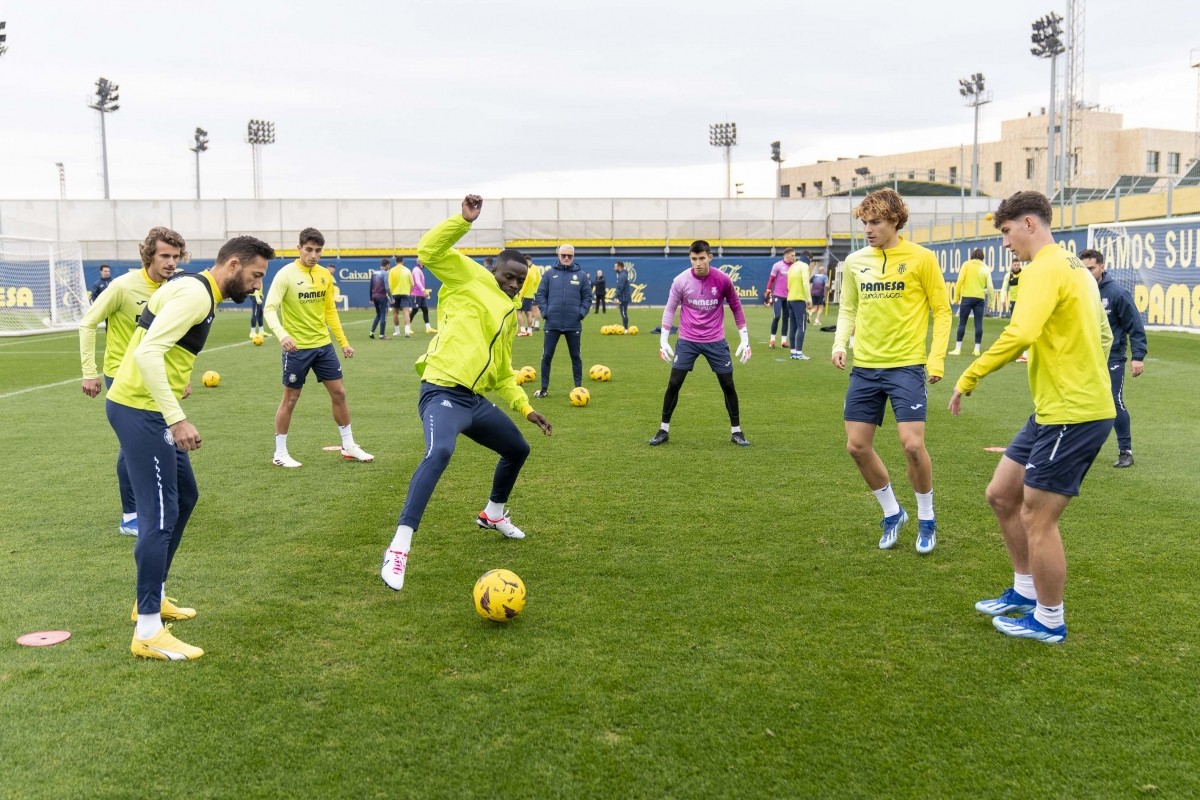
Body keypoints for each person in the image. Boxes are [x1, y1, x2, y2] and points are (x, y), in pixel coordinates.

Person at [950, 191, 1115, 644]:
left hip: (1072, 414)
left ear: (1028, 223)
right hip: (1055, 409)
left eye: (1005, 233)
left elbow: (1021, 332)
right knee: (1002, 494)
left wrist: (970, 375)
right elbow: (1102, 334)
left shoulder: (1044, 267)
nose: (1005, 244)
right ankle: (1025, 592)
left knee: (1037, 518)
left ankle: (1049, 619)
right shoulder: (1076, 267)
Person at [108, 236, 272, 660]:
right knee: (159, 515)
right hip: (141, 410)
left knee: (184, 497)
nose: (257, 286)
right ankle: (147, 631)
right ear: (233, 264)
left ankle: (155, 595)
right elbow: (147, 354)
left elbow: (150, 343)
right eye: (255, 276)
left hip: (145, 405)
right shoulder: (196, 294)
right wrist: (176, 417)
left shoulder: (192, 288)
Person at [381, 195, 552, 592]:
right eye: (508, 276)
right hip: (441, 389)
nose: (512, 284)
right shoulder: (467, 275)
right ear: (494, 268)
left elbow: (504, 372)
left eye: (518, 281)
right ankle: (399, 547)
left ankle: (493, 514)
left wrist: (525, 409)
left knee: (518, 449)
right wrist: (463, 220)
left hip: (473, 400)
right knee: (439, 452)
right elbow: (428, 250)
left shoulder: (510, 313)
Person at [832, 188, 952, 554]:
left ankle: (927, 518)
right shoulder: (854, 262)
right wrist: (840, 343)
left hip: (906, 366)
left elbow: (942, 311)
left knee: (913, 446)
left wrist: (936, 359)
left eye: (876, 222)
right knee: (856, 446)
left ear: (896, 221)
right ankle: (892, 512)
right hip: (865, 366)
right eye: (865, 223)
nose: (868, 229)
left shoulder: (922, 259)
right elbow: (848, 308)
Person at [79, 227, 187, 536]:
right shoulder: (123, 286)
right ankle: (131, 515)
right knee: (132, 443)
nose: (170, 262)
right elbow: (88, 322)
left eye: (176, 257)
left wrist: (184, 377)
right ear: (149, 255)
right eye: (164, 255)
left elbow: (178, 337)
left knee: (162, 435)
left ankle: (164, 501)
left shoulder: (176, 288)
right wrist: (89, 371)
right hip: (121, 374)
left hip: (156, 375)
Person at [265, 227, 373, 467]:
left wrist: (343, 342)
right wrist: (282, 335)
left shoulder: (325, 275)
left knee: (340, 393)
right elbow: (269, 308)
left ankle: (348, 446)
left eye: (318, 250)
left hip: (323, 347)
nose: (313, 255)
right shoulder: (285, 275)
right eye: (309, 249)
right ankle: (280, 453)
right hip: (297, 349)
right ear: (299, 248)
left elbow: (330, 311)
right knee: (291, 399)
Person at [649, 240, 752, 447]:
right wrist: (663, 340)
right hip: (688, 340)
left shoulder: (722, 280)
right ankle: (663, 429)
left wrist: (745, 338)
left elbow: (736, 307)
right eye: (694, 259)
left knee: (728, 385)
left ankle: (737, 431)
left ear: (710, 257)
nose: (697, 263)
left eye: (702, 258)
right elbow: (670, 309)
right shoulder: (681, 280)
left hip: (715, 340)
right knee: (674, 384)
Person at [1080, 248, 1147, 468]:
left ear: (1101, 267)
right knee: (1084, 403)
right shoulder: (1078, 291)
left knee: (1114, 402)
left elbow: (1135, 325)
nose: (1087, 272)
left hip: (1112, 358)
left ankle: (1125, 451)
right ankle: (1081, 450)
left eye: (1091, 268)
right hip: (1084, 357)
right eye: (1083, 268)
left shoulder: (1116, 293)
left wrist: (1137, 356)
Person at [533, 243, 592, 398]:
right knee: (547, 356)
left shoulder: (581, 276)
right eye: (563, 255)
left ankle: (578, 389)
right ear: (558, 255)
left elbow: (587, 297)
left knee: (576, 357)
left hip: (573, 324)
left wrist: (580, 314)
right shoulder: (549, 274)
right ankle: (544, 389)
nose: (566, 258)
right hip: (552, 323)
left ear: (573, 257)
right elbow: (540, 295)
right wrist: (546, 312)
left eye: (569, 256)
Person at [951, 248, 991, 356]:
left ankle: (958, 349)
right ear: (982, 257)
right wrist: (990, 302)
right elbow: (990, 286)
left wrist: (956, 297)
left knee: (962, 323)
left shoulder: (966, 264)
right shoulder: (985, 267)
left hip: (967, 298)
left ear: (972, 256)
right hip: (980, 299)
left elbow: (960, 281)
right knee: (978, 324)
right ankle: (977, 349)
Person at [765, 249, 794, 349]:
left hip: (789, 296)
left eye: (795, 255)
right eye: (792, 255)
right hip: (778, 295)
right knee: (777, 316)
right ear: (786, 255)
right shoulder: (777, 265)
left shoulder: (794, 266)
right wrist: (768, 291)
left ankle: (783, 342)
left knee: (786, 318)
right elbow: (771, 279)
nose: (794, 257)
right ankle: (772, 340)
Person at [787, 251, 812, 360]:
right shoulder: (804, 265)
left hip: (790, 299)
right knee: (802, 326)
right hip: (799, 299)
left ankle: (793, 352)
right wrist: (809, 299)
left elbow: (788, 285)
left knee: (792, 327)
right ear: (808, 258)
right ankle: (799, 353)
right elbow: (806, 283)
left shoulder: (792, 266)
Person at [517, 255, 543, 336]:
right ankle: (529, 330)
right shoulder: (533, 269)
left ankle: (523, 329)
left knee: (518, 312)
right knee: (529, 312)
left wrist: (520, 295)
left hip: (528, 294)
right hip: (531, 293)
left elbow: (525, 286)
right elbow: (537, 280)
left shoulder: (529, 271)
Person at [389, 256, 414, 337]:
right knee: (406, 312)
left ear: (396, 261)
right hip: (405, 293)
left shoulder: (392, 271)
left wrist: (390, 295)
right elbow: (412, 284)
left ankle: (397, 331)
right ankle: (407, 331)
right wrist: (409, 292)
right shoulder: (407, 270)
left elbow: (389, 285)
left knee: (395, 313)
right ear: (403, 261)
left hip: (394, 294)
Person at [410, 259, 436, 334]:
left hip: (420, 294)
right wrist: (424, 290)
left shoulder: (419, 270)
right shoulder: (416, 270)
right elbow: (417, 281)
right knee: (414, 310)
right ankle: (408, 327)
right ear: (420, 262)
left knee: (425, 310)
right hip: (416, 294)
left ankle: (428, 328)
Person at [368, 257, 391, 339]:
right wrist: (391, 298)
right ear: (387, 265)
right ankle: (382, 335)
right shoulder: (385, 273)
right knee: (383, 315)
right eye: (389, 265)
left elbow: (371, 285)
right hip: (382, 296)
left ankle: (372, 332)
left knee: (378, 314)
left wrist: (371, 297)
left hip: (374, 296)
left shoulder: (374, 272)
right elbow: (387, 287)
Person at [808, 262, 829, 326]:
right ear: (823, 270)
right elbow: (826, 285)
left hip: (813, 293)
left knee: (815, 307)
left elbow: (809, 281)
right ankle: (816, 321)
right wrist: (829, 288)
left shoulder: (815, 276)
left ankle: (810, 313)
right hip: (820, 293)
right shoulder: (825, 276)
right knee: (821, 307)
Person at [614, 261, 632, 330]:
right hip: (623, 297)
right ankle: (625, 328)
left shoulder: (622, 275)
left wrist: (616, 297)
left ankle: (626, 329)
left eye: (615, 267)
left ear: (619, 267)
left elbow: (620, 287)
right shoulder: (622, 274)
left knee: (624, 313)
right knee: (623, 313)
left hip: (624, 297)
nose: (614, 268)